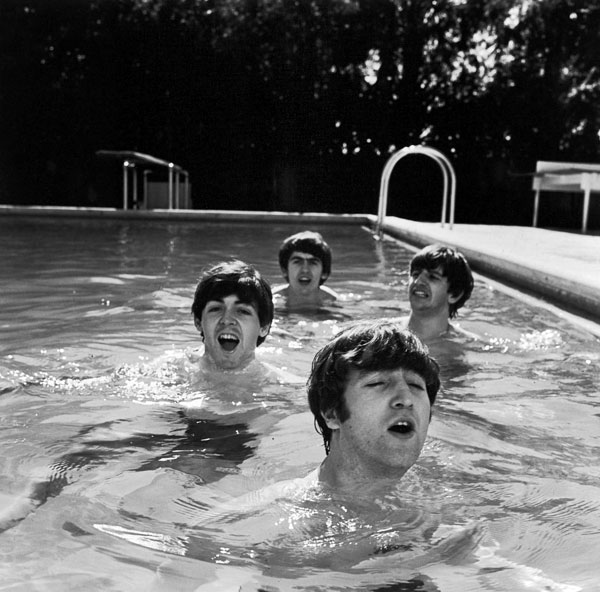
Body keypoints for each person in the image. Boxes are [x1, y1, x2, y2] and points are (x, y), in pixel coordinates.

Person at [307, 320, 440, 495]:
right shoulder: (276, 513)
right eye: (379, 383)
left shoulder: (450, 506)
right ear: (332, 413)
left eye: (415, 385)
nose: (406, 399)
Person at [404, 244, 474, 343]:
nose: (418, 281)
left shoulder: (464, 345)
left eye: (432, 277)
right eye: (415, 274)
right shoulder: (382, 335)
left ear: (454, 294)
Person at [273, 230, 338, 309]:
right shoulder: (271, 301)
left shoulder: (335, 301)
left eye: (313, 262)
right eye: (297, 261)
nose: (305, 269)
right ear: (285, 270)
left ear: (324, 273)